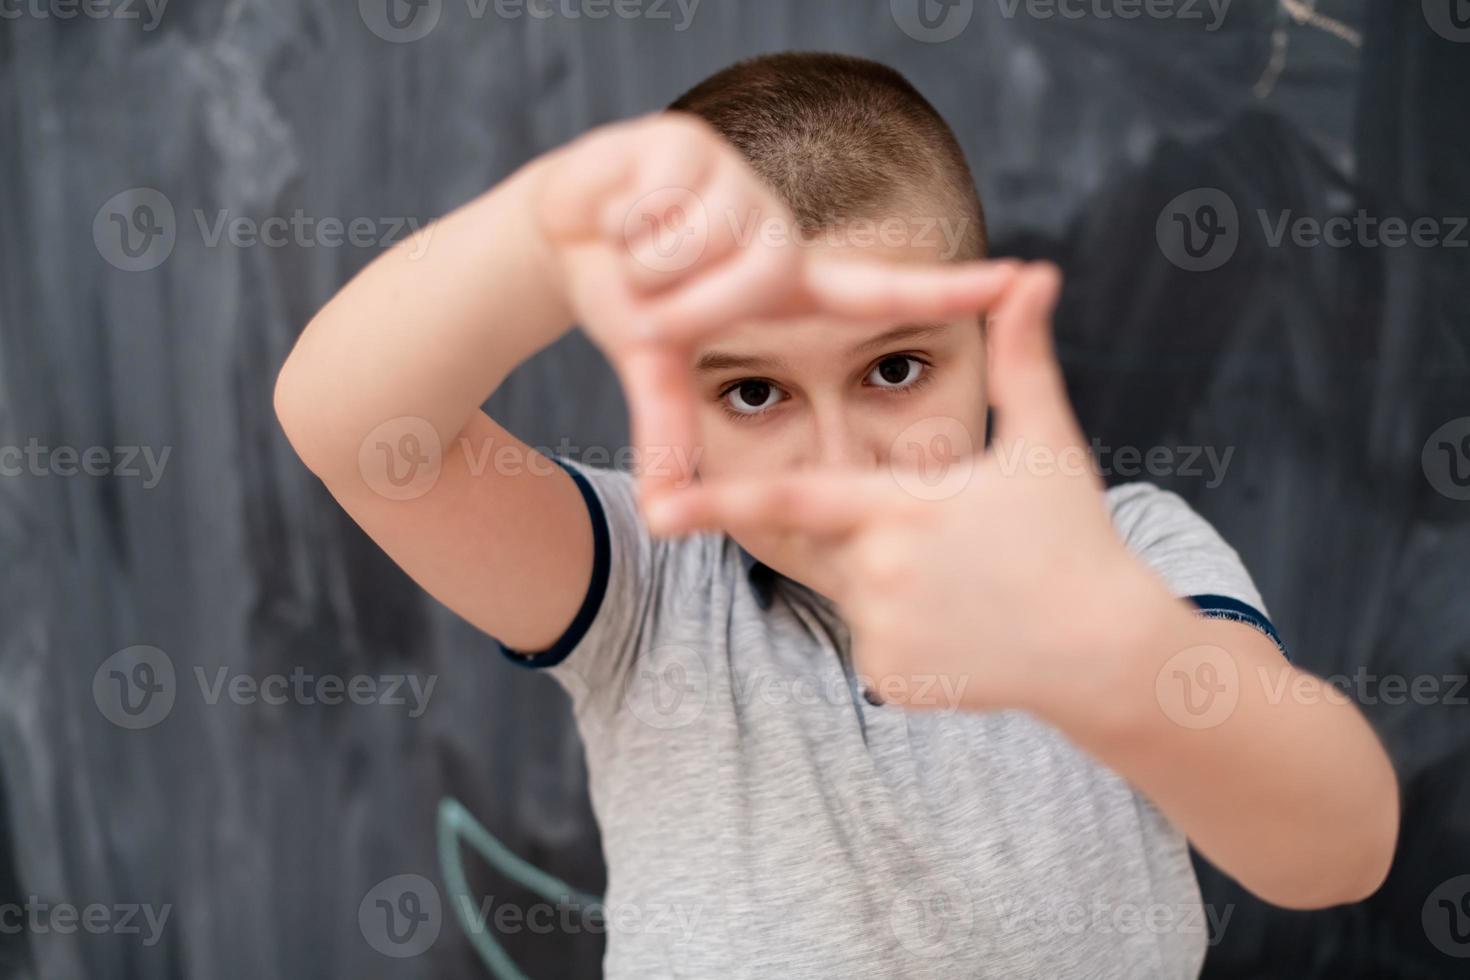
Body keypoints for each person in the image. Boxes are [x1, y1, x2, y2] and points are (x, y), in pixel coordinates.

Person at [274, 51, 1399, 979]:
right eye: (753, 392)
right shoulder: (643, 586)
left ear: (985, 352)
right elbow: (349, 422)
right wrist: (548, 236)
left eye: (896, 369)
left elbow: (1337, 848)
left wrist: (1108, 650)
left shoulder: (1128, 555)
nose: (838, 457)